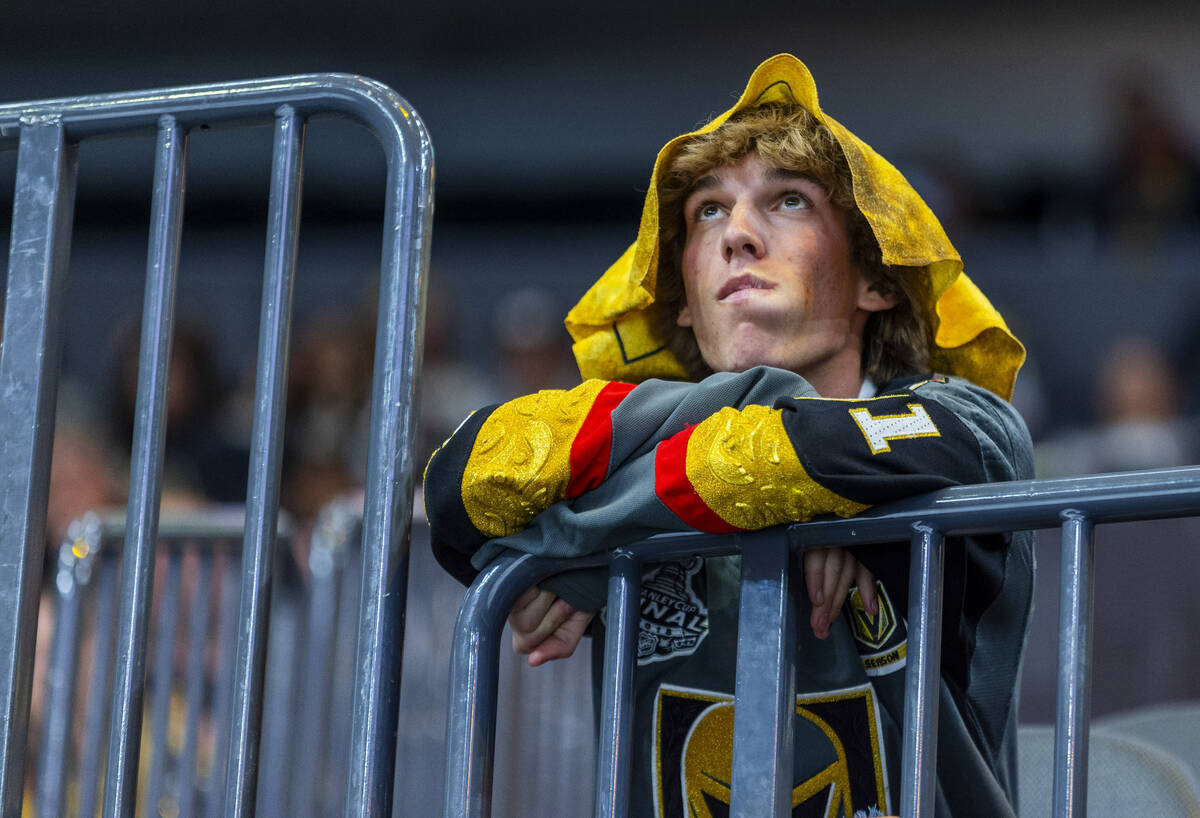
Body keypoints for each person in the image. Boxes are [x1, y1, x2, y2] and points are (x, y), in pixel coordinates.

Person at [424, 54, 1033, 818]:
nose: (738, 234)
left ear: (877, 280)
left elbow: (812, 455)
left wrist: (578, 539)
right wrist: (801, 491)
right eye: (707, 212)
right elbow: (460, 484)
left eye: (788, 201)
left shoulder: (970, 426)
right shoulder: (637, 432)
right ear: (682, 302)